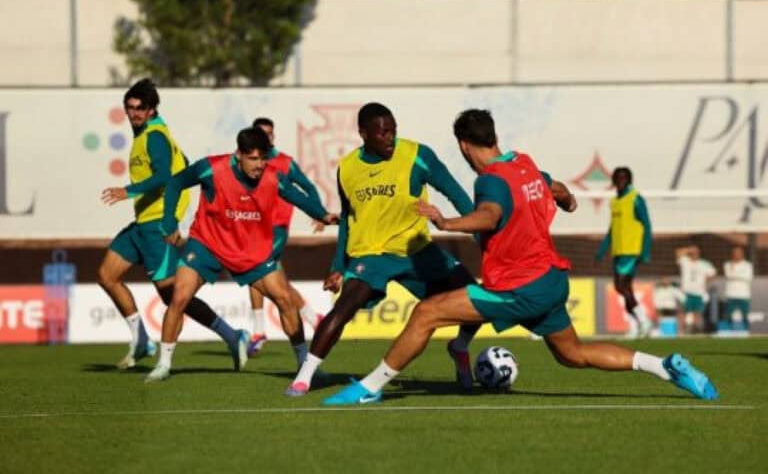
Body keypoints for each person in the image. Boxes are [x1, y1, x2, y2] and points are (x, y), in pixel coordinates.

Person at [324, 108, 718, 405]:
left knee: (427, 312)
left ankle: (368, 388)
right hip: (550, 279)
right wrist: (567, 200)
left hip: (518, 287)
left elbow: (489, 215)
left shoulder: (489, 180)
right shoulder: (522, 163)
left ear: (463, 145)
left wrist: (448, 222)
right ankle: (665, 367)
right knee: (574, 355)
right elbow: (554, 186)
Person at [285, 102, 481, 397]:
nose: (389, 138)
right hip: (371, 254)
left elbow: (455, 193)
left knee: (477, 298)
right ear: (363, 134)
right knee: (344, 308)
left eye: (393, 130)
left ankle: (459, 347)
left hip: (417, 250)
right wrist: (338, 265)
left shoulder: (417, 156)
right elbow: (347, 221)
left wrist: (481, 234)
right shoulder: (348, 168)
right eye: (382, 133)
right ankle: (305, 375)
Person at [144, 126, 337, 382]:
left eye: (263, 159)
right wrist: (169, 221)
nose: (260, 165)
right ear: (239, 155)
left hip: (250, 250)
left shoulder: (274, 177)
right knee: (179, 297)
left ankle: (305, 365)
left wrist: (323, 215)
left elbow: (298, 197)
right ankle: (164, 364)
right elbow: (175, 182)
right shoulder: (211, 169)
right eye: (254, 159)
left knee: (285, 299)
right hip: (207, 244)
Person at [98, 79, 249, 371]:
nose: (134, 114)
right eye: (129, 108)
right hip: (141, 225)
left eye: (140, 109)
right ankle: (141, 339)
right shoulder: (146, 133)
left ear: (152, 110)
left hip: (156, 226)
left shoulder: (155, 136)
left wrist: (127, 191)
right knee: (107, 275)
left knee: (174, 297)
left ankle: (233, 336)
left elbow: (165, 177)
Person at [246, 117, 324, 356]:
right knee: (274, 280)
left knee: (256, 270)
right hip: (253, 228)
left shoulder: (284, 162)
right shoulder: (247, 162)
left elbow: (308, 187)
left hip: (276, 229)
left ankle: (259, 331)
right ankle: (313, 317)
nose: (266, 137)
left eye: (270, 133)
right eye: (261, 133)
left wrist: (318, 213)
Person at [596, 166, 652, 338]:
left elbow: (647, 225)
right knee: (623, 288)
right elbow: (613, 228)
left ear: (629, 179)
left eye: (623, 177)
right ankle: (635, 326)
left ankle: (644, 319)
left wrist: (645, 250)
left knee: (621, 286)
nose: (620, 181)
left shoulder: (636, 198)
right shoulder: (614, 202)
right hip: (618, 250)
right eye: (617, 178)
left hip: (631, 249)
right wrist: (603, 249)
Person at [675, 245, 716, 334]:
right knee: (682, 312)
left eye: (695, 251)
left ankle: (695, 331)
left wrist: (705, 282)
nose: (694, 253)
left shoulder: (704, 263)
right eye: (692, 252)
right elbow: (678, 252)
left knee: (697, 313)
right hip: (686, 292)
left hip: (698, 292)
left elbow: (713, 273)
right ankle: (680, 331)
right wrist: (688, 249)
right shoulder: (685, 261)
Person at [723, 246, 753, 332]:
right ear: (732, 254)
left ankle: (746, 331)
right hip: (731, 294)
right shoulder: (728, 264)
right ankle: (728, 332)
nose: (737, 254)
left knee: (745, 315)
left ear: (742, 254)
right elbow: (728, 275)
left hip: (744, 295)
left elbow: (748, 277)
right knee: (728, 315)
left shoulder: (747, 265)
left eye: (739, 252)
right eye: (735, 252)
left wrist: (734, 274)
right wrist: (739, 275)